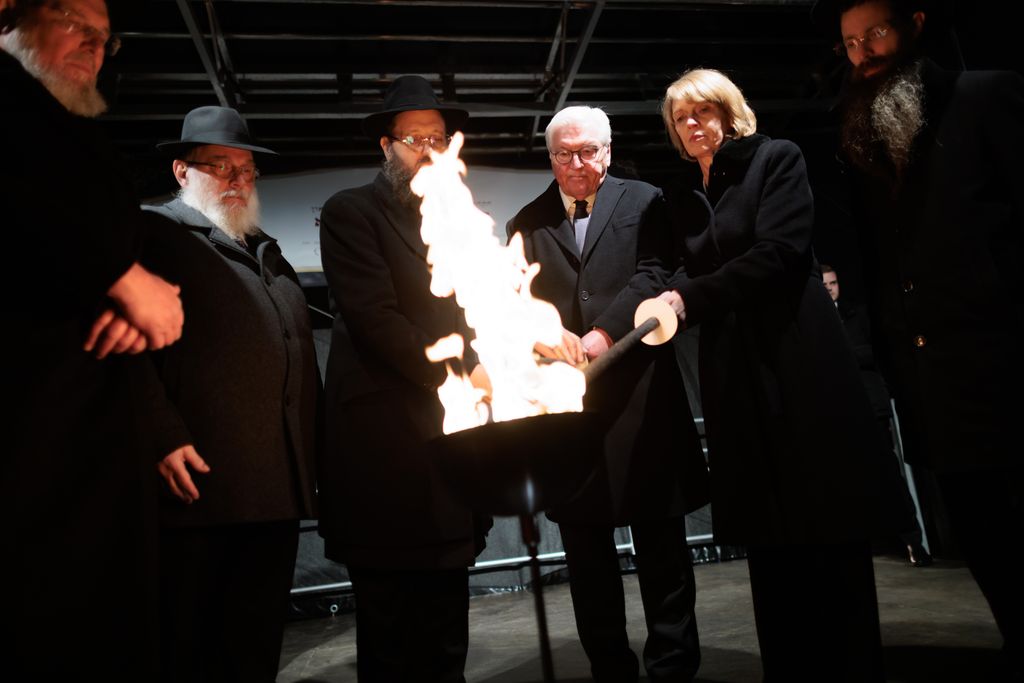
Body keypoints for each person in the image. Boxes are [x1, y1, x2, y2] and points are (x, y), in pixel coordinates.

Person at [814, 0, 1024, 677]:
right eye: (849, 43)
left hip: (1004, 366)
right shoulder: (861, 132)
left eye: (873, 33)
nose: (862, 53)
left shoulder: (985, 96)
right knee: (984, 535)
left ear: (915, 23)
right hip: (932, 383)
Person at [658, 68, 887, 680]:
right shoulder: (686, 192)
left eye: (703, 112)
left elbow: (779, 252)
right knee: (765, 528)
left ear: (730, 113)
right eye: (681, 118)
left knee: (825, 520)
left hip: (795, 358)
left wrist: (687, 300)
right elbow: (688, 269)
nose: (692, 125)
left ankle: (852, 664)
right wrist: (662, 300)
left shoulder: (773, 158)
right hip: (736, 372)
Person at [2, 0, 184, 678]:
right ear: (11, 18)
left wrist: (129, 290)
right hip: (31, 441)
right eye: (74, 20)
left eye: (105, 36)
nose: (94, 45)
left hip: (86, 441)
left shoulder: (66, 126)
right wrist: (115, 275)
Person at [506, 105, 709, 683]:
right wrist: (548, 335)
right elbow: (515, 302)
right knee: (587, 559)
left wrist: (602, 334)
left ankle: (673, 666)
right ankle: (610, 669)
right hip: (570, 416)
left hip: (644, 402)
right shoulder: (525, 222)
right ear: (550, 158)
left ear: (608, 151)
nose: (577, 163)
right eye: (565, 153)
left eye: (588, 151)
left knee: (663, 551)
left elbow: (656, 271)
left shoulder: (645, 201)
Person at [138, 105, 320, 682]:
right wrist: (161, 435)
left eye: (245, 169)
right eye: (219, 167)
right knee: (190, 647)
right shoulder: (158, 237)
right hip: (200, 489)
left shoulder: (265, 251)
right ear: (181, 171)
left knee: (254, 643)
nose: (237, 180)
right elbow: (122, 354)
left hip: (272, 489)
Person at [318, 75, 489, 683]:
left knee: (447, 629)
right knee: (390, 634)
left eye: (438, 138)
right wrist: (469, 372)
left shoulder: (461, 224)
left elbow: (483, 309)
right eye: (414, 138)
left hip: (452, 451)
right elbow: (377, 321)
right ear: (385, 146)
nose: (428, 149)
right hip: (386, 453)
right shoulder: (350, 212)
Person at [822, 264, 931, 567]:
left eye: (834, 282)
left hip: (871, 404)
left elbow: (874, 351)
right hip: (837, 410)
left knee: (889, 474)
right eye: (825, 283)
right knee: (847, 479)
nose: (830, 287)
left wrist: (843, 354)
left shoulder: (856, 315)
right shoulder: (817, 320)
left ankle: (913, 542)